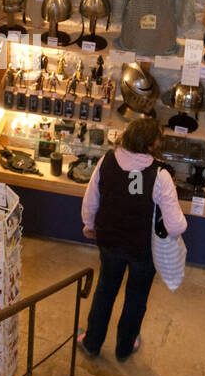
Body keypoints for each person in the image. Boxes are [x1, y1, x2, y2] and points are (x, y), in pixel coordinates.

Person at [78, 116, 187, 361]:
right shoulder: (160, 175)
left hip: (109, 241)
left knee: (105, 290)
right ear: (151, 145)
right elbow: (176, 225)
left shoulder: (105, 161)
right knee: (136, 297)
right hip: (142, 248)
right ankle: (125, 347)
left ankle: (93, 342)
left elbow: (91, 200)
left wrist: (89, 225)